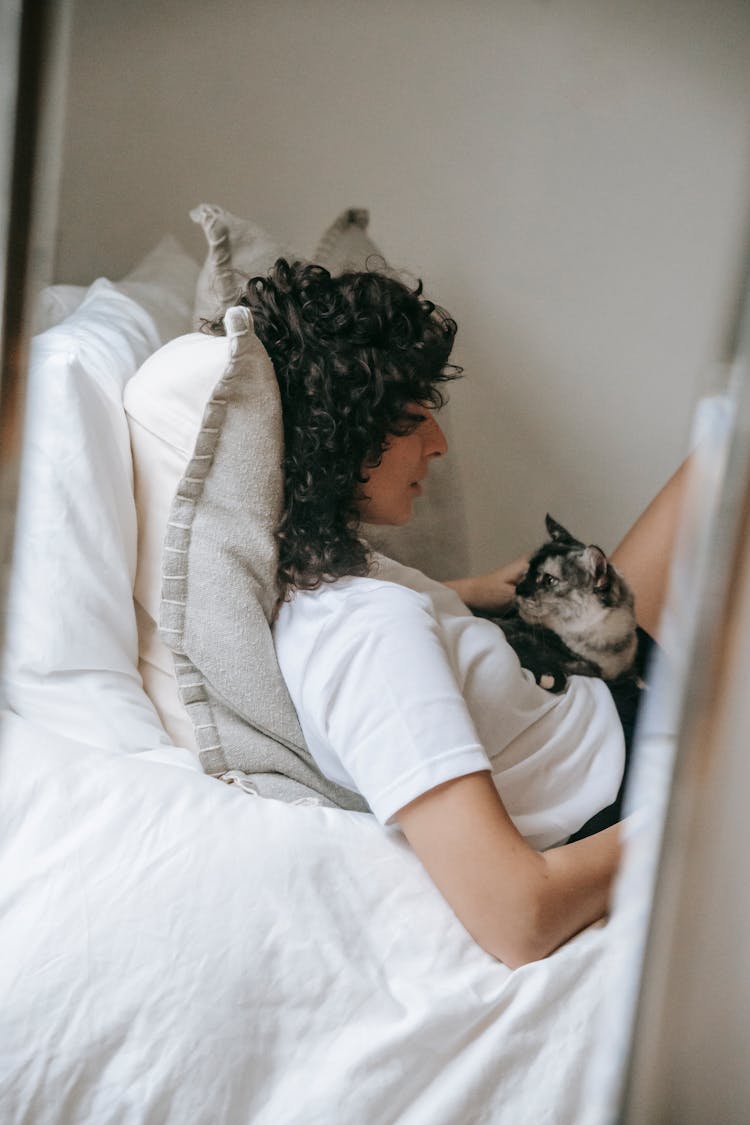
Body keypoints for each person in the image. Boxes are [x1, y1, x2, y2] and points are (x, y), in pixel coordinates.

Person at [211, 259, 687, 969]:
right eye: (411, 418)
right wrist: (700, 819)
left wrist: (480, 589)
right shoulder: (369, 637)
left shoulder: (334, 571)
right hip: (624, 778)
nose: (438, 442)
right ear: (342, 440)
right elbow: (517, 917)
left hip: (598, 700)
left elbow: (418, 619)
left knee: (724, 460)